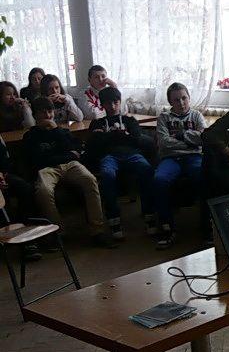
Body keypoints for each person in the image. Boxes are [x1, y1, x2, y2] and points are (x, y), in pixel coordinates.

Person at [23, 97, 116, 248]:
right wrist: (66, 155)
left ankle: (97, 231)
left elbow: (75, 151)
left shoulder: (62, 131)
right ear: (35, 115)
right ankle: (58, 232)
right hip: (47, 169)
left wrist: (56, 130)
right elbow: (37, 160)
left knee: (90, 180)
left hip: (70, 165)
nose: (47, 115)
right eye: (42, 112)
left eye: (50, 111)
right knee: (43, 191)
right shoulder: (30, 136)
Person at [86, 87, 155, 240]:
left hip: (132, 154)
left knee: (146, 169)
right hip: (109, 156)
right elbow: (93, 145)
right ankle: (114, 219)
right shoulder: (97, 123)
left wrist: (107, 137)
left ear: (120, 102)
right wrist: (121, 136)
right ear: (102, 104)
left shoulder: (130, 120)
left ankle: (150, 214)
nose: (112, 106)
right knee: (107, 174)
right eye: (108, 103)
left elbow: (137, 138)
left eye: (115, 102)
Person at [152, 82, 207, 249]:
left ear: (189, 98)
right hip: (171, 158)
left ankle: (207, 226)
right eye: (176, 100)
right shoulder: (164, 118)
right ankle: (167, 228)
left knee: (204, 176)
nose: (181, 103)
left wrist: (181, 136)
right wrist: (190, 141)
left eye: (184, 98)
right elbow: (164, 143)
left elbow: (204, 138)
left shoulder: (196, 116)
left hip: (194, 157)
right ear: (170, 102)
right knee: (160, 179)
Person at [0, 136, 41, 259]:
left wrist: (2, 173)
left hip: (2, 175)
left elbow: (3, 157)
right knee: (4, 198)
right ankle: (7, 235)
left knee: (25, 188)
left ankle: (27, 236)